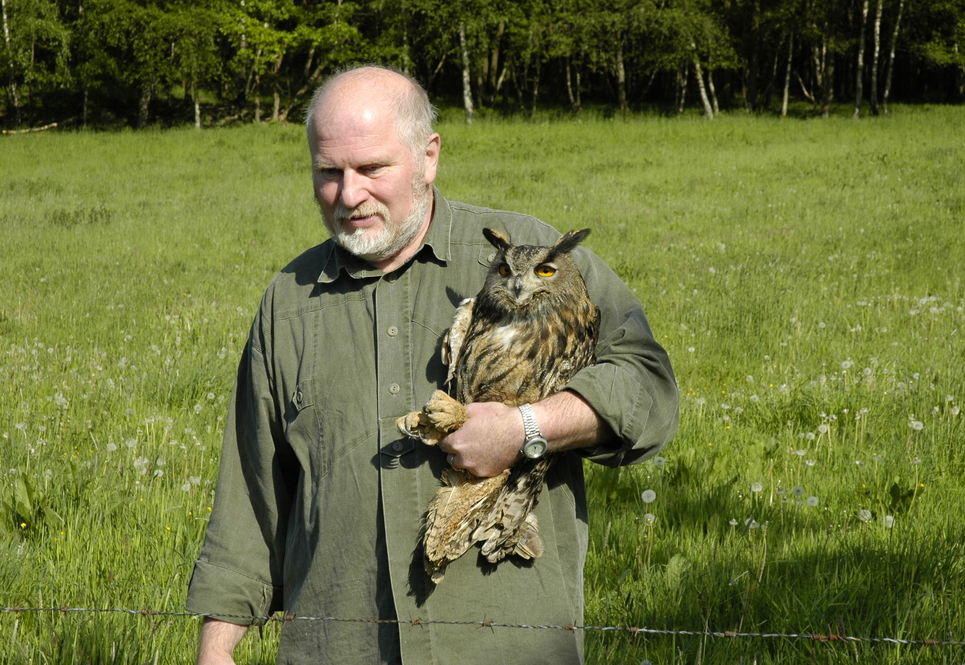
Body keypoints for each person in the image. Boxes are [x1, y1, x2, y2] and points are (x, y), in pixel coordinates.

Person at [186, 65, 679, 665]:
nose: (348, 195)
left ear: (429, 156)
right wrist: (215, 651)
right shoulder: (290, 301)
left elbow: (648, 388)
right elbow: (253, 491)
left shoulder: (528, 256)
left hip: (501, 641)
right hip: (342, 644)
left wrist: (526, 428)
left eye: (371, 169)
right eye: (328, 172)